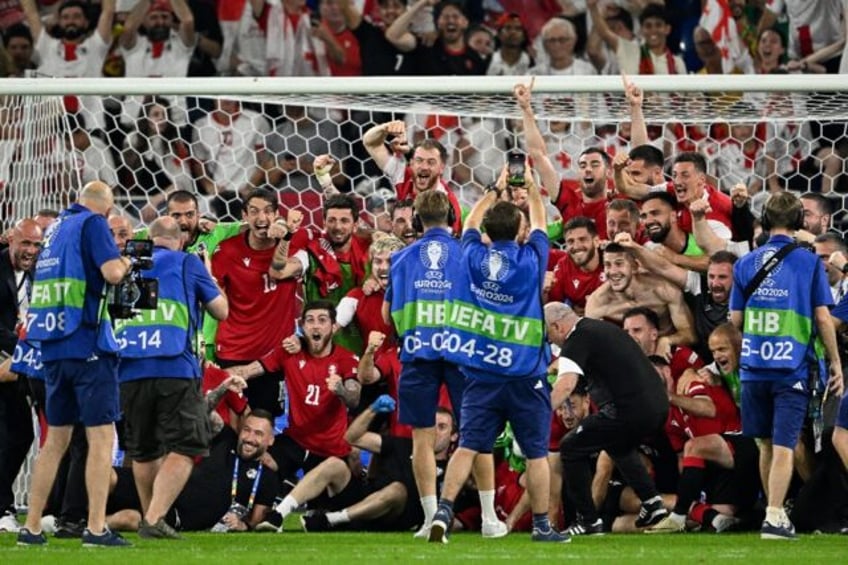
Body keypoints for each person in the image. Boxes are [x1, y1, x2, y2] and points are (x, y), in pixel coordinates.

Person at [430, 162, 565, 544]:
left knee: (469, 445)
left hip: (482, 374)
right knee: (537, 453)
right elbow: (540, 223)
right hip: (525, 375)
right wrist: (533, 189)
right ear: (519, 231)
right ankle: (541, 526)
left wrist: (494, 188)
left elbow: (468, 224)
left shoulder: (471, 255)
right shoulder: (532, 258)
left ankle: (444, 510)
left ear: (489, 231)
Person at [18, 181, 134, 547]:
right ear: (104, 208)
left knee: (55, 441)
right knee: (102, 438)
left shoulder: (54, 230)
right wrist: (127, 261)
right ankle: (97, 527)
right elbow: (113, 274)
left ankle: (32, 527)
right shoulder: (92, 223)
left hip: (54, 347)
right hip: (88, 343)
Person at [384, 189, 501, 538]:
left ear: (417, 220)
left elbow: (387, 316)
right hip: (463, 352)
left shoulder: (400, 259)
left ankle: (430, 518)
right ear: (452, 217)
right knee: (475, 435)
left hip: (418, 353)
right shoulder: (467, 254)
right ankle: (489, 518)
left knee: (421, 439)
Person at [729, 190, 843, 540]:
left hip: (752, 368)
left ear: (765, 220)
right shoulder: (808, 262)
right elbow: (824, 318)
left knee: (764, 444)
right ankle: (776, 517)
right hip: (790, 366)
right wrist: (835, 361)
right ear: (800, 222)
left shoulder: (745, 263)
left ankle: (773, 511)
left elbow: (735, 319)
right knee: (784, 444)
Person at [115, 216, 228, 539]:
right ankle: (153, 518)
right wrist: (208, 275)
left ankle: (153, 518)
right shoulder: (186, 262)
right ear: (180, 240)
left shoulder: (128, 268)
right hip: (174, 367)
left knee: (143, 449)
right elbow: (221, 311)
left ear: (149, 240)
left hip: (130, 370)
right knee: (189, 444)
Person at [226, 300, 361, 530]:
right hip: (297, 440)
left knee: (326, 512)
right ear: (301, 326)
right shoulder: (288, 353)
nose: (315, 327)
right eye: (310, 320)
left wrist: (340, 390)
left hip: (330, 448)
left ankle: (293, 508)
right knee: (264, 460)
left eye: (322, 320)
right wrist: (214, 375)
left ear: (334, 327)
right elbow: (250, 370)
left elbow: (354, 397)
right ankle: (251, 520)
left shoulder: (346, 359)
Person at [544, 302, 670, 535]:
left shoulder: (577, 338)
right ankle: (652, 503)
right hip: (658, 407)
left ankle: (588, 521)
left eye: (549, 336)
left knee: (570, 447)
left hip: (629, 409)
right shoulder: (600, 329)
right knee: (617, 443)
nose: (552, 343)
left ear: (557, 326)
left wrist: (537, 416)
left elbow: (565, 386)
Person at [212, 188, 304, 415]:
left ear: (276, 215)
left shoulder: (297, 243)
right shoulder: (226, 251)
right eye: (253, 211)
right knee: (229, 427)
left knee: (265, 424)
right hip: (232, 352)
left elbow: (280, 269)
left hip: (273, 356)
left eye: (268, 211)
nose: (261, 218)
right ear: (244, 216)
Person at [0, 218, 42, 533]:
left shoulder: (38, 274)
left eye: (36, 245)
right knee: (14, 433)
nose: (30, 250)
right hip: (8, 359)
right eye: (25, 243)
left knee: (22, 435)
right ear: (10, 240)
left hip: (23, 364)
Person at [22, 0, 115, 130]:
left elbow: (108, 11)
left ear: (86, 22)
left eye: (77, 16)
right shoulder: (46, 47)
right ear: (58, 22)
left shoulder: (96, 46)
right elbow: (31, 13)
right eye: (65, 17)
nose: (71, 21)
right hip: (51, 128)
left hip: (90, 127)